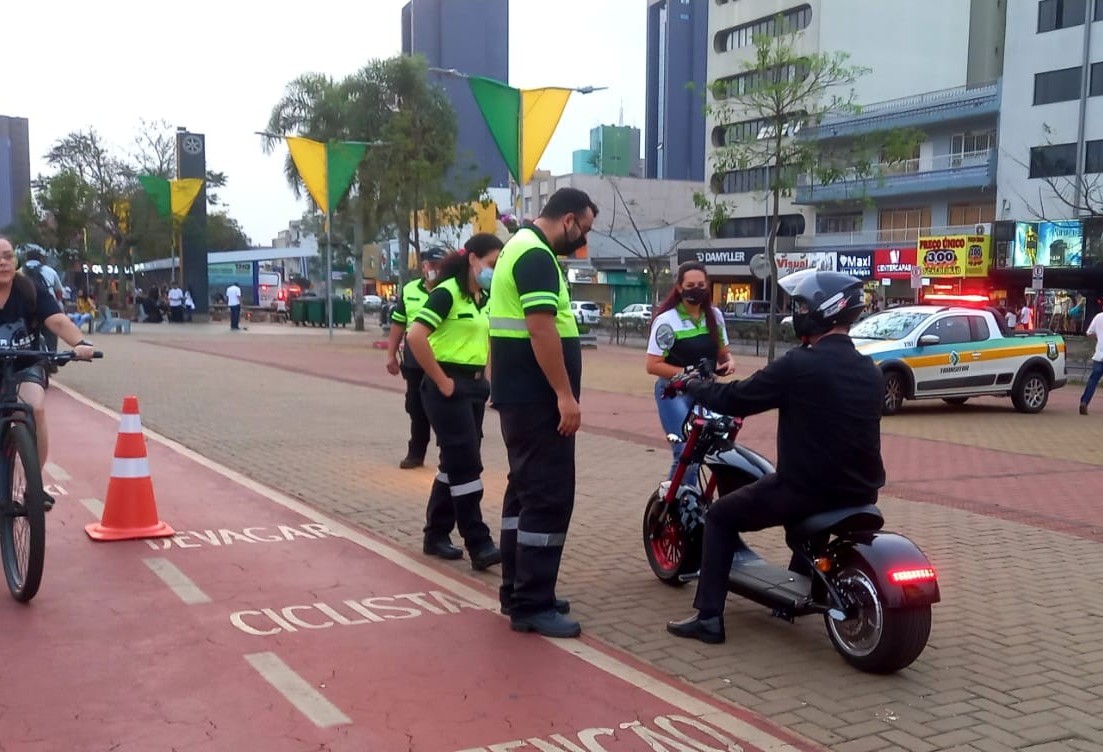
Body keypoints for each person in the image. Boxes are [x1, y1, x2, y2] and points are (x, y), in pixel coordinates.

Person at [666, 269, 886, 645]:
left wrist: (694, 385)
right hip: (861, 490)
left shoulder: (799, 365)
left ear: (821, 311)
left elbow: (737, 398)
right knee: (798, 510)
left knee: (719, 517)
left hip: (806, 489)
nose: (797, 310)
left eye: (801, 304)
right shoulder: (870, 370)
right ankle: (786, 602)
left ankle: (708, 618)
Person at [488, 187, 598, 639]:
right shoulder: (534, 255)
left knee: (524, 494)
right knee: (549, 497)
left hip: (521, 397)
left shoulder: (521, 247)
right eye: (583, 230)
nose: (582, 240)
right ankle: (532, 603)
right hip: (538, 401)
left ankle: (518, 590)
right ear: (567, 219)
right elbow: (540, 329)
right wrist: (564, 395)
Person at [405, 233, 504, 569]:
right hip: (446, 388)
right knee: (467, 464)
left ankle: (435, 533)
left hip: (475, 387)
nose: (494, 270)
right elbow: (415, 335)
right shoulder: (447, 293)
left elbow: (488, 337)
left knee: (454, 462)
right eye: (491, 263)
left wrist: (487, 379)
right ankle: (478, 542)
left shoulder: (485, 297)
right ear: (472, 258)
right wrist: (442, 380)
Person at [0, 236, 96, 511]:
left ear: (15, 259)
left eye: (7, 256)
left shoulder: (29, 289)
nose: (3, 262)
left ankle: (33, 485)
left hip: (24, 363)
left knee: (35, 408)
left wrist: (79, 343)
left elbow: (56, 319)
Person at [645, 261, 734, 480]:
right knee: (686, 452)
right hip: (674, 393)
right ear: (679, 287)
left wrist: (728, 362)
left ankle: (700, 501)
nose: (697, 289)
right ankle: (680, 506)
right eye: (691, 284)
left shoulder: (714, 316)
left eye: (701, 284)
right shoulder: (666, 321)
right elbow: (653, 365)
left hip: (706, 392)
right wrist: (687, 373)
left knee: (719, 449)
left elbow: (724, 353)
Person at [386, 247, 448, 469]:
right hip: (414, 362)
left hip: (443, 360)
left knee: (444, 410)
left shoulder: (451, 290)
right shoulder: (411, 290)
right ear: (423, 267)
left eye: (440, 266)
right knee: (416, 407)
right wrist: (391, 354)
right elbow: (399, 323)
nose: (436, 270)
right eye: (432, 266)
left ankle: (448, 454)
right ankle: (416, 452)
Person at [1079, 304, 1103, 415]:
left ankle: (1084, 402)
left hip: (1099, 354)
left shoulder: (1098, 317)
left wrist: (1098, 337)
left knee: (1093, 380)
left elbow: (1089, 333)